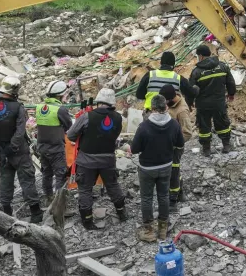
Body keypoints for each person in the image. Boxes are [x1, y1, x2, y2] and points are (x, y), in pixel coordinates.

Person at [0, 76, 42, 224]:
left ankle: (7, 215)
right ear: (15, 90)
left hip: (2, 153)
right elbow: (20, 131)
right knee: (27, 181)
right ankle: (36, 214)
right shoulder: (18, 108)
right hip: (19, 152)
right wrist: (12, 147)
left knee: (5, 182)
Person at [67, 88, 125, 230]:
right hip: (108, 160)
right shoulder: (118, 118)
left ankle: (87, 221)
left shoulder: (87, 116)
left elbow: (71, 135)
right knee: (112, 186)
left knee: (85, 189)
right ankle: (122, 213)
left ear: (99, 101)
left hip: (86, 160)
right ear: (112, 103)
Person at [130, 95, 184, 242]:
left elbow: (134, 149)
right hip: (166, 165)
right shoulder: (174, 124)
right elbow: (180, 143)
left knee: (147, 197)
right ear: (165, 107)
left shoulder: (144, 126)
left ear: (152, 109)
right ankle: (162, 228)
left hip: (147, 167)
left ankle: (148, 230)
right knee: (163, 195)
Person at [188, 44, 236, 156]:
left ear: (200, 56)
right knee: (223, 123)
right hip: (219, 103)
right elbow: (230, 82)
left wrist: (190, 102)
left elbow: (191, 89)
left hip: (203, 105)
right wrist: (231, 94)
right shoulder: (222, 66)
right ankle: (226, 145)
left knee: (204, 126)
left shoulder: (196, 72)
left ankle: (206, 149)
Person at [34, 80, 73, 201]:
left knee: (47, 174)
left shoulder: (39, 107)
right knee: (60, 175)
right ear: (60, 95)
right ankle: (59, 205)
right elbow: (69, 126)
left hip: (42, 147)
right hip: (56, 148)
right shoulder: (60, 109)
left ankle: (49, 198)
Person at [160, 84, 194, 205]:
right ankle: (180, 193)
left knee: (173, 172)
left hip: (175, 147)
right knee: (174, 170)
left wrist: (174, 143)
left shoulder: (182, 111)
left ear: (171, 99)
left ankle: (173, 198)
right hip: (169, 144)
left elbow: (188, 133)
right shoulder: (171, 105)